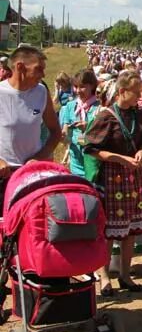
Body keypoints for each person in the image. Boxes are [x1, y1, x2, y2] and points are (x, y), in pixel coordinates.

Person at [83, 70, 142, 296]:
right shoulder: (106, 117)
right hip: (112, 179)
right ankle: (104, 277)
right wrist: (120, 159)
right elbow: (91, 149)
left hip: (134, 177)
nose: (139, 96)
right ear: (122, 91)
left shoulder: (137, 115)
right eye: (135, 92)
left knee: (130, 228)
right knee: (109, 230)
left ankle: (125, 274)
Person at [0, 46, 62, 215]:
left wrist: (40, 157)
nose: (43, 74)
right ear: (20, 67)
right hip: (3, 174)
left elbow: (55, 131)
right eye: (38, 69)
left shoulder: (41, 92)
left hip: (32, 175)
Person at [59, 69, 101, 177]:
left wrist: (88, 127)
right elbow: (65, 127)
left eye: (82, 86)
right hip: (76, 161)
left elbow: (103, 135)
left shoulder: (99, 108)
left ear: (92, 86)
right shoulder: (70, 106)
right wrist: (64, 133)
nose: (77, 91)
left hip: (93, 161)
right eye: (75, 86)